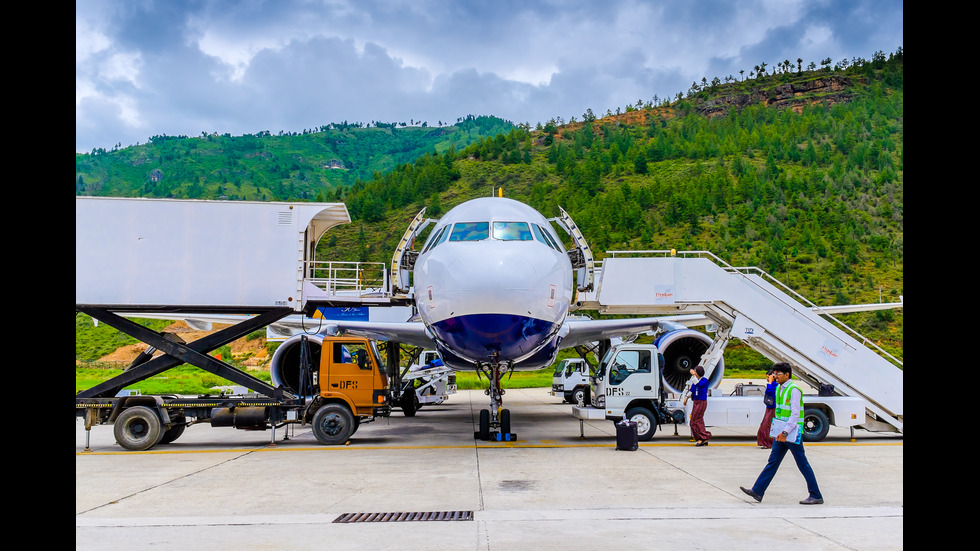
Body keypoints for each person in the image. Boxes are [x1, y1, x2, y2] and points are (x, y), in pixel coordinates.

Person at [741, 363, 824, 505]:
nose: (775, 376)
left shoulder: (794, 390)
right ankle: (758, 490)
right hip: (781, 433)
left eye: (778, 373)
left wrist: (786, 432)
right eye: (774, 373)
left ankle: (816, 494)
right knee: (772, 462)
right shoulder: (779, 389)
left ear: (787, 375)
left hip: (791, 434)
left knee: (802, 464)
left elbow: (795, 413)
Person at [683, 365, 711, 446]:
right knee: (699, 420)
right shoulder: (695, 381)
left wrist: (693, 375)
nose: (694, 373)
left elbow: (698, 384)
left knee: (694, 421)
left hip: (701, 402)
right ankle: (704, 438)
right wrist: (686, 398)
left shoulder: (704, 380)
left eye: (695, 371)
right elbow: (692, 389)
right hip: (696, 402)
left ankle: (700, 438)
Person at [756, 370, 777, 449]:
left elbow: (769, 392)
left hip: (773, 408)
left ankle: (768, 443)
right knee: (764, 425)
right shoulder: (773, 385)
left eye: (768, 377)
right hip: (769, 407)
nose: (767, 379)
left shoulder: (775, 385)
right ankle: (765, 442)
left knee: (767, 425)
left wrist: (770, 383)